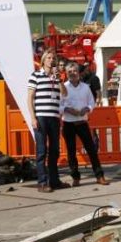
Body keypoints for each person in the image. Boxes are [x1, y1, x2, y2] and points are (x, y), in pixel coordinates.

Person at [60, 63, 110, 187]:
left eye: (75, 70)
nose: (72, 73)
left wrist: (87, 109)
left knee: (91, 150)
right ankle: (75, 177)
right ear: (66, 73)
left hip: (82, 122)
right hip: (68, 122)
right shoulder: (63, 87)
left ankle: (99, 176)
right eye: (70, 71)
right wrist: (67, 109)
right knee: (71, 152)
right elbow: (58, 105)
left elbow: (91, 103)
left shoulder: (85, 87)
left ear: (79, 72)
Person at [27, 49, 69, 193]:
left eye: (54, 58)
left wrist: (59, 80)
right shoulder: (36, 76)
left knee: (54, 150)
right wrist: (33, 117)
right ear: (44, 60)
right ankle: (42, 182)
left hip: (54, 117)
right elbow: (29, 98)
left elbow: (65, 94)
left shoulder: (57, 77)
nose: (52, 60)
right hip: (41, 117)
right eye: (49, 58)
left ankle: (54, 180)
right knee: (41, 151)